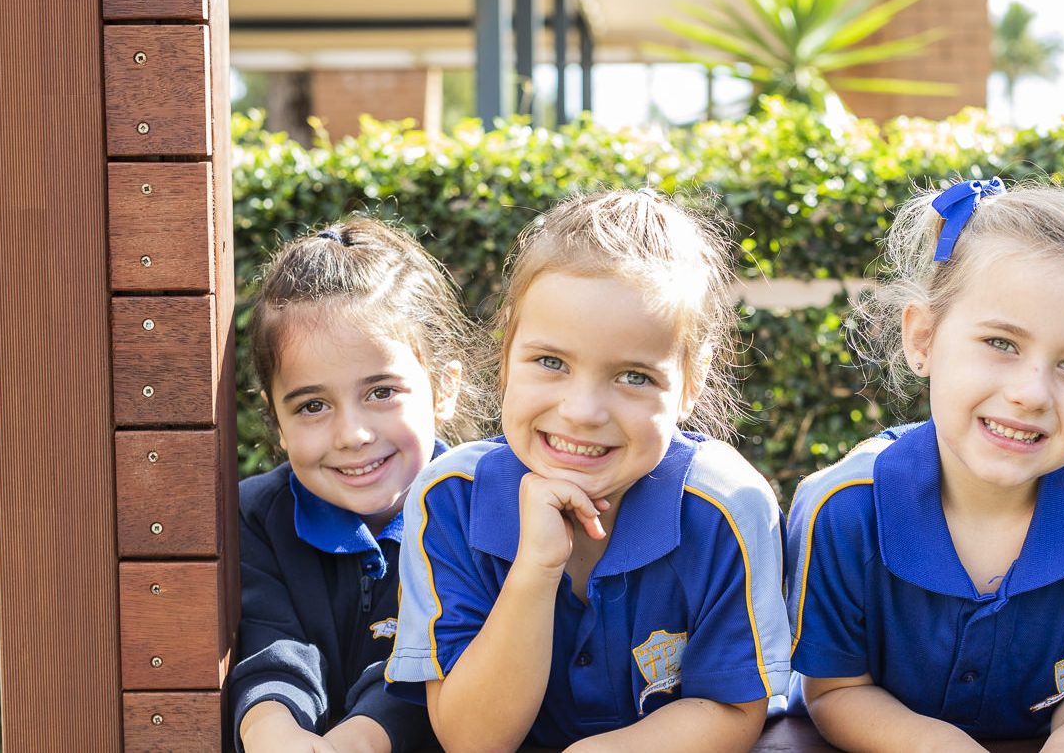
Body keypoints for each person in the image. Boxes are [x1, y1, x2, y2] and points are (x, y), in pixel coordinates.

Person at [385, 189, 791, 751]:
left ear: (690, 386)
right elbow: (472, 738)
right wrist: (536, 567)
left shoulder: (727, 506)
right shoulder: (448, 498)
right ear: (506, 358)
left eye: (633, 376)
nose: (582, 411)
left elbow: (731, 708)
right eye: (551, 362)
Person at [787, 179, 1064, 751]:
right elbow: (835, 690)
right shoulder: (843, 510)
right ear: (922, 337)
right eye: (1001, 343)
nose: (1031, 393)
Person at [230, 218, 488, 753]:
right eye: (313, 406)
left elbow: (431, 671)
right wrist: (270, 732)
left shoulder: (475, 513)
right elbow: (268, 646)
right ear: (276, 420)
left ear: (444, 389)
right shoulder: (255, 516)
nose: (353, 435)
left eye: (381, 392)